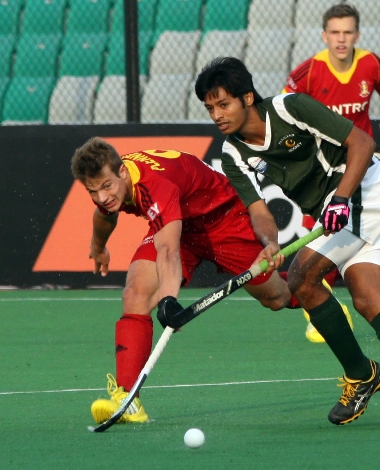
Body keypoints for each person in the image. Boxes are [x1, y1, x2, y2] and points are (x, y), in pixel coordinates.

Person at [186, 56, 380, 425]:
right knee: (367, 299)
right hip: (333, 214)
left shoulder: (291, 107)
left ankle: (360, 374)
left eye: (224, 104)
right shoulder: (232, 152)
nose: (217, 115)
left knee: (302, 277)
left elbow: (363, 144)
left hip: (365, 187)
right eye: (210, 108)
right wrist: (270, 244)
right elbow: (258, 209)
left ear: (248, 98)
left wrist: (341, 198)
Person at [71, 138, 294, 425]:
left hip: (222, 219)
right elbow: (104, 216)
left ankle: (308, 284)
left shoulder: (153, 186)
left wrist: (167, 301)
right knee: (136, 294)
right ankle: (127, 400)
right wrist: (98, 247)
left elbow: (167, 252)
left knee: (276, 298)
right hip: (179, 226)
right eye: (93, 191)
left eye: (106, 187)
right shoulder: (111, 181)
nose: (102, 197)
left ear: (123, 173)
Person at [282, 3, 380, 343]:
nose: (341, 39)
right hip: (322, 172)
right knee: (318, 237)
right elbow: (284, 113)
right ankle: (318, 309)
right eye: (335, 32)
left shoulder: (370, 64)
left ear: (357, 35)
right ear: (324, 36)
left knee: (344, 236)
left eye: (347, 32)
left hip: (361, 171)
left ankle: (344, 304)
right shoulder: (308, 72)